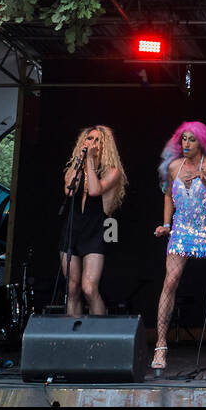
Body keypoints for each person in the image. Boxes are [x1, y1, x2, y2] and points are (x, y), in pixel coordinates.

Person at [150, 122, 206, 371]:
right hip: (182, 228)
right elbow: (169, 194)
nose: (186, 144)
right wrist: (166, 224)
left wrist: (203, 177)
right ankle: (160, 345)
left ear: (201, 141)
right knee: (170, 282)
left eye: (191, 139)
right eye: (183, 140)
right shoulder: (173, 167)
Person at [59, 126, 127, 317]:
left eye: (98, 141)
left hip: (96, 230)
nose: (93, 143)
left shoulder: (112, 172)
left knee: (89, 288)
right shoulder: (73, 170)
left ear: (105, 147)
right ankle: (73, 337)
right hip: (73, 228)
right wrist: (81, 162)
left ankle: (100, 338)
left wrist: (90, 160)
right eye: (90, 139)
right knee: (72, 288)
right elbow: (69, 191)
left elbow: (95, 191)